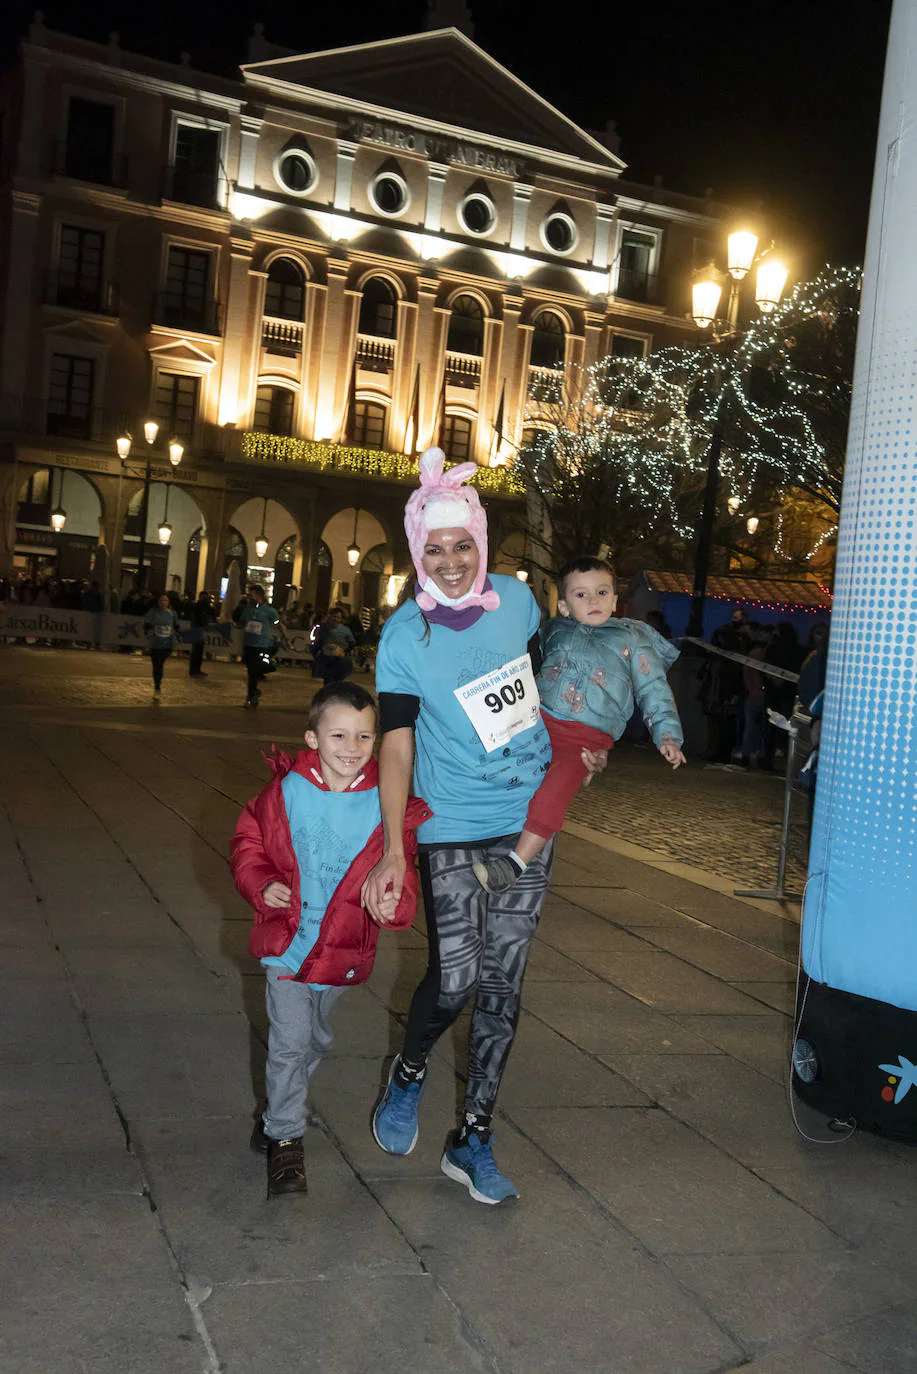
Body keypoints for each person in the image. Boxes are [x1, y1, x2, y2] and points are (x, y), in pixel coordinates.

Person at [362, 448, 606, 1206]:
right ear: (417, 553)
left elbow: (555, 688)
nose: (451, 561)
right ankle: (408, 1073)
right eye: (434, 549)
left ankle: (472, 1138)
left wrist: (582, 742)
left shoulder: (521, 603)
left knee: (503, 984)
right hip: (451, 825)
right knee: (459, 974)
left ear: (481, 542)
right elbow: (395, 743)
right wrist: (395, 845)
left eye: (462, 544)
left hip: (525, 822)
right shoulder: (404, 637)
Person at [231, 682, 430, 1197]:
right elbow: (248, 842)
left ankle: (279, 1107)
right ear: (312, 738)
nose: (351, 746)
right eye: (338, 734)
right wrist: (261, 883)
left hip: (341, 948)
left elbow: (400, 871)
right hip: (286, 943)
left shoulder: (384, 802)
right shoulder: (285, 792)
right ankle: (284, 1142)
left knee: (316, 1038)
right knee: (289, 1042)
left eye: (365, 736)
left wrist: (392, 904)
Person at [473, 557, 686, 894]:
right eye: (581, 595)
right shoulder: (553, 630)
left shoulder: (631, 637)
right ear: (564, 605)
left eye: (602, 592)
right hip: (536, 722)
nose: (594, 601)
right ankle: (475, 828)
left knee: (553, 791)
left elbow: (654, 688)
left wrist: (667, 734)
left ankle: (514, 865)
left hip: (585, 739)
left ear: (616, 600)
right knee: (498, 765)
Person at [234, 584, 284, 709]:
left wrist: (284, 635)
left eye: (251, 595)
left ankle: (250, 697)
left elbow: (278, 623)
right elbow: (241, 623)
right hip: (248, 644)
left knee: (254, 671)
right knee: (251, 671)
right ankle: (254, 693)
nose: (249, 597)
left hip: (261, 644)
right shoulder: (247, 610)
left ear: (259, 595)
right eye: (248, 595)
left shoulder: (269, 611)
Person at [143, 593, 181, 695]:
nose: (163, 602)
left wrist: (177, 634)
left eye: (165, 600)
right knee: (156, 664)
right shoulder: (153, 612)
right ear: (157, 601)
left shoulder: (173, 613)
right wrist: (148, 632)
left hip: (167, 643)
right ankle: (157, 683)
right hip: (155, 643)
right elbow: (147, 625)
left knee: (160, 663)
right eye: (161, 600)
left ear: (169, 602)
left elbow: (176, 626)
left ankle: (158, 682)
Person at [312, 607, 355, 686]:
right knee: (328, 681)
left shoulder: (345, 630)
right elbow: (318, 642)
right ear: (330, 616)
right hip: (327, 659)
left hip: (340, 661)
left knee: (337, 682)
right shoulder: (324, 628)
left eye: (338, 617)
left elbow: (352, 643)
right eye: (334, 616)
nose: (335, 619)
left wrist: (343, 651)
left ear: (341, 619)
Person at [188, 589, 213, 678]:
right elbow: (196, 618)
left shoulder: (205, 606)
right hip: (197, 630)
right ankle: (193, 670)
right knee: (195, 651)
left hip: (201, 630)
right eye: (204, 597)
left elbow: (211, 613)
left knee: (199, 651)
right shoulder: (197, 606)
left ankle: (197, 669)